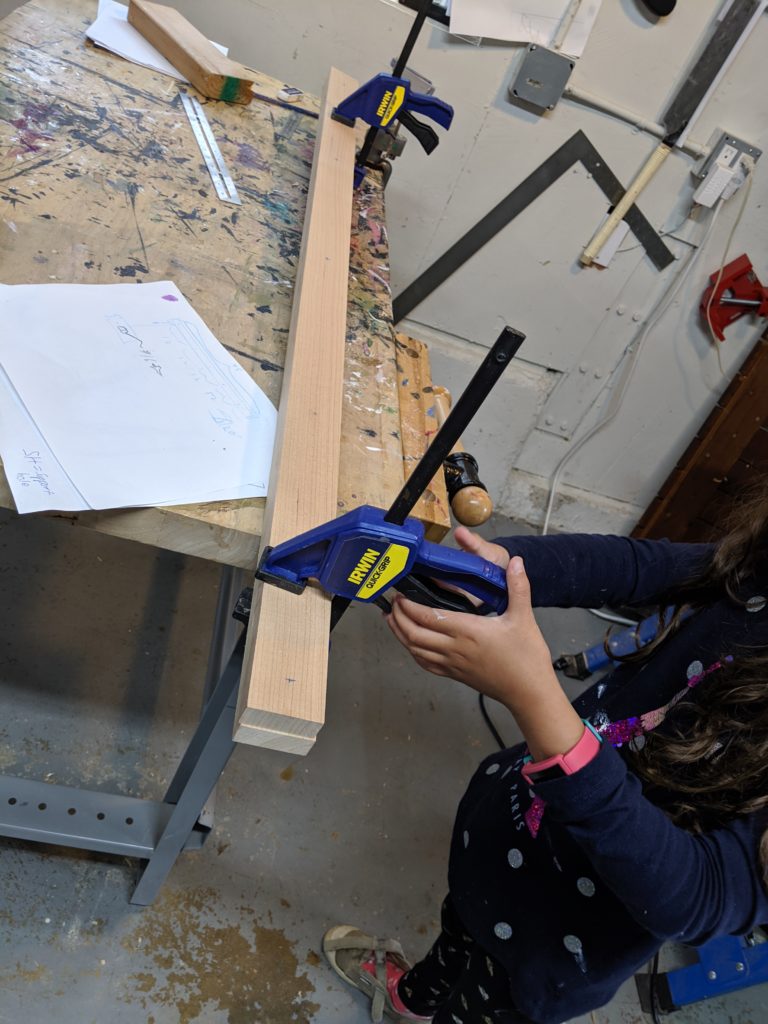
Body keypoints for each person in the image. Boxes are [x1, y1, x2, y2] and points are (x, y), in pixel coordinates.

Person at [322, 479, 768, 1024]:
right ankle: (412, 999)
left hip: (561, 938)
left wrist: (533, 696)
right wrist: (504, 567)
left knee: (484, 999)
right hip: (514, 825)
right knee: (462, 918)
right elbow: (638, 567)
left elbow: (697, 895)